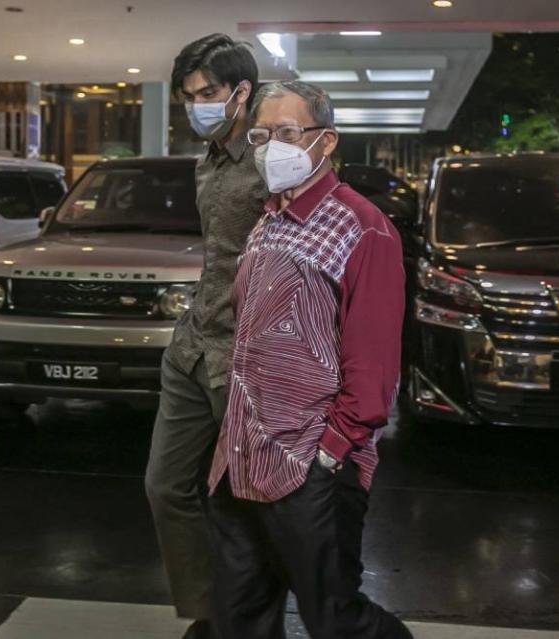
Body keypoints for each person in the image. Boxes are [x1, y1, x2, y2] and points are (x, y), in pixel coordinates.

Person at [205, 80, 413, 639]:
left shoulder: (363, 227)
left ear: (327, 142)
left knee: (334, 617)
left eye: (289, 132)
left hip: (311, 463)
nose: (274, 145)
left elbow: (373, 366)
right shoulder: (268, 218)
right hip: (243, 457)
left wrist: (330, 452)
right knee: (237, 617)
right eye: (262, 134)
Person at [144, 33, 267, 639]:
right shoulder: (208, 160)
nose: (197, 104)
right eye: (188, 96)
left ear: (241, 91)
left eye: (208, 92)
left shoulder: (276, 155)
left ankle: (246, 623)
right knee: (166, 487)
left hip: (249, 358)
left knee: (250, 504)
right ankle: (211, 613)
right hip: (193, 348)